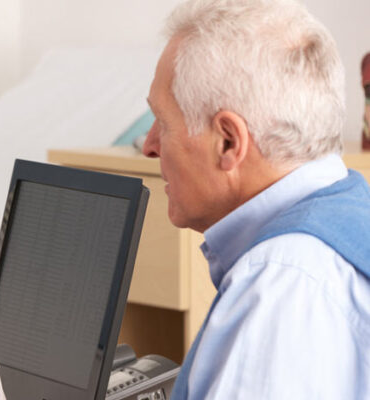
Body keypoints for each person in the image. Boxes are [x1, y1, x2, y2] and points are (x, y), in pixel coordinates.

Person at [141, 0, 370, 398]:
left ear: (229, 141)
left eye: (163, 123)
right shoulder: (351, 212)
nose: (149, 146)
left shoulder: (279, 285)